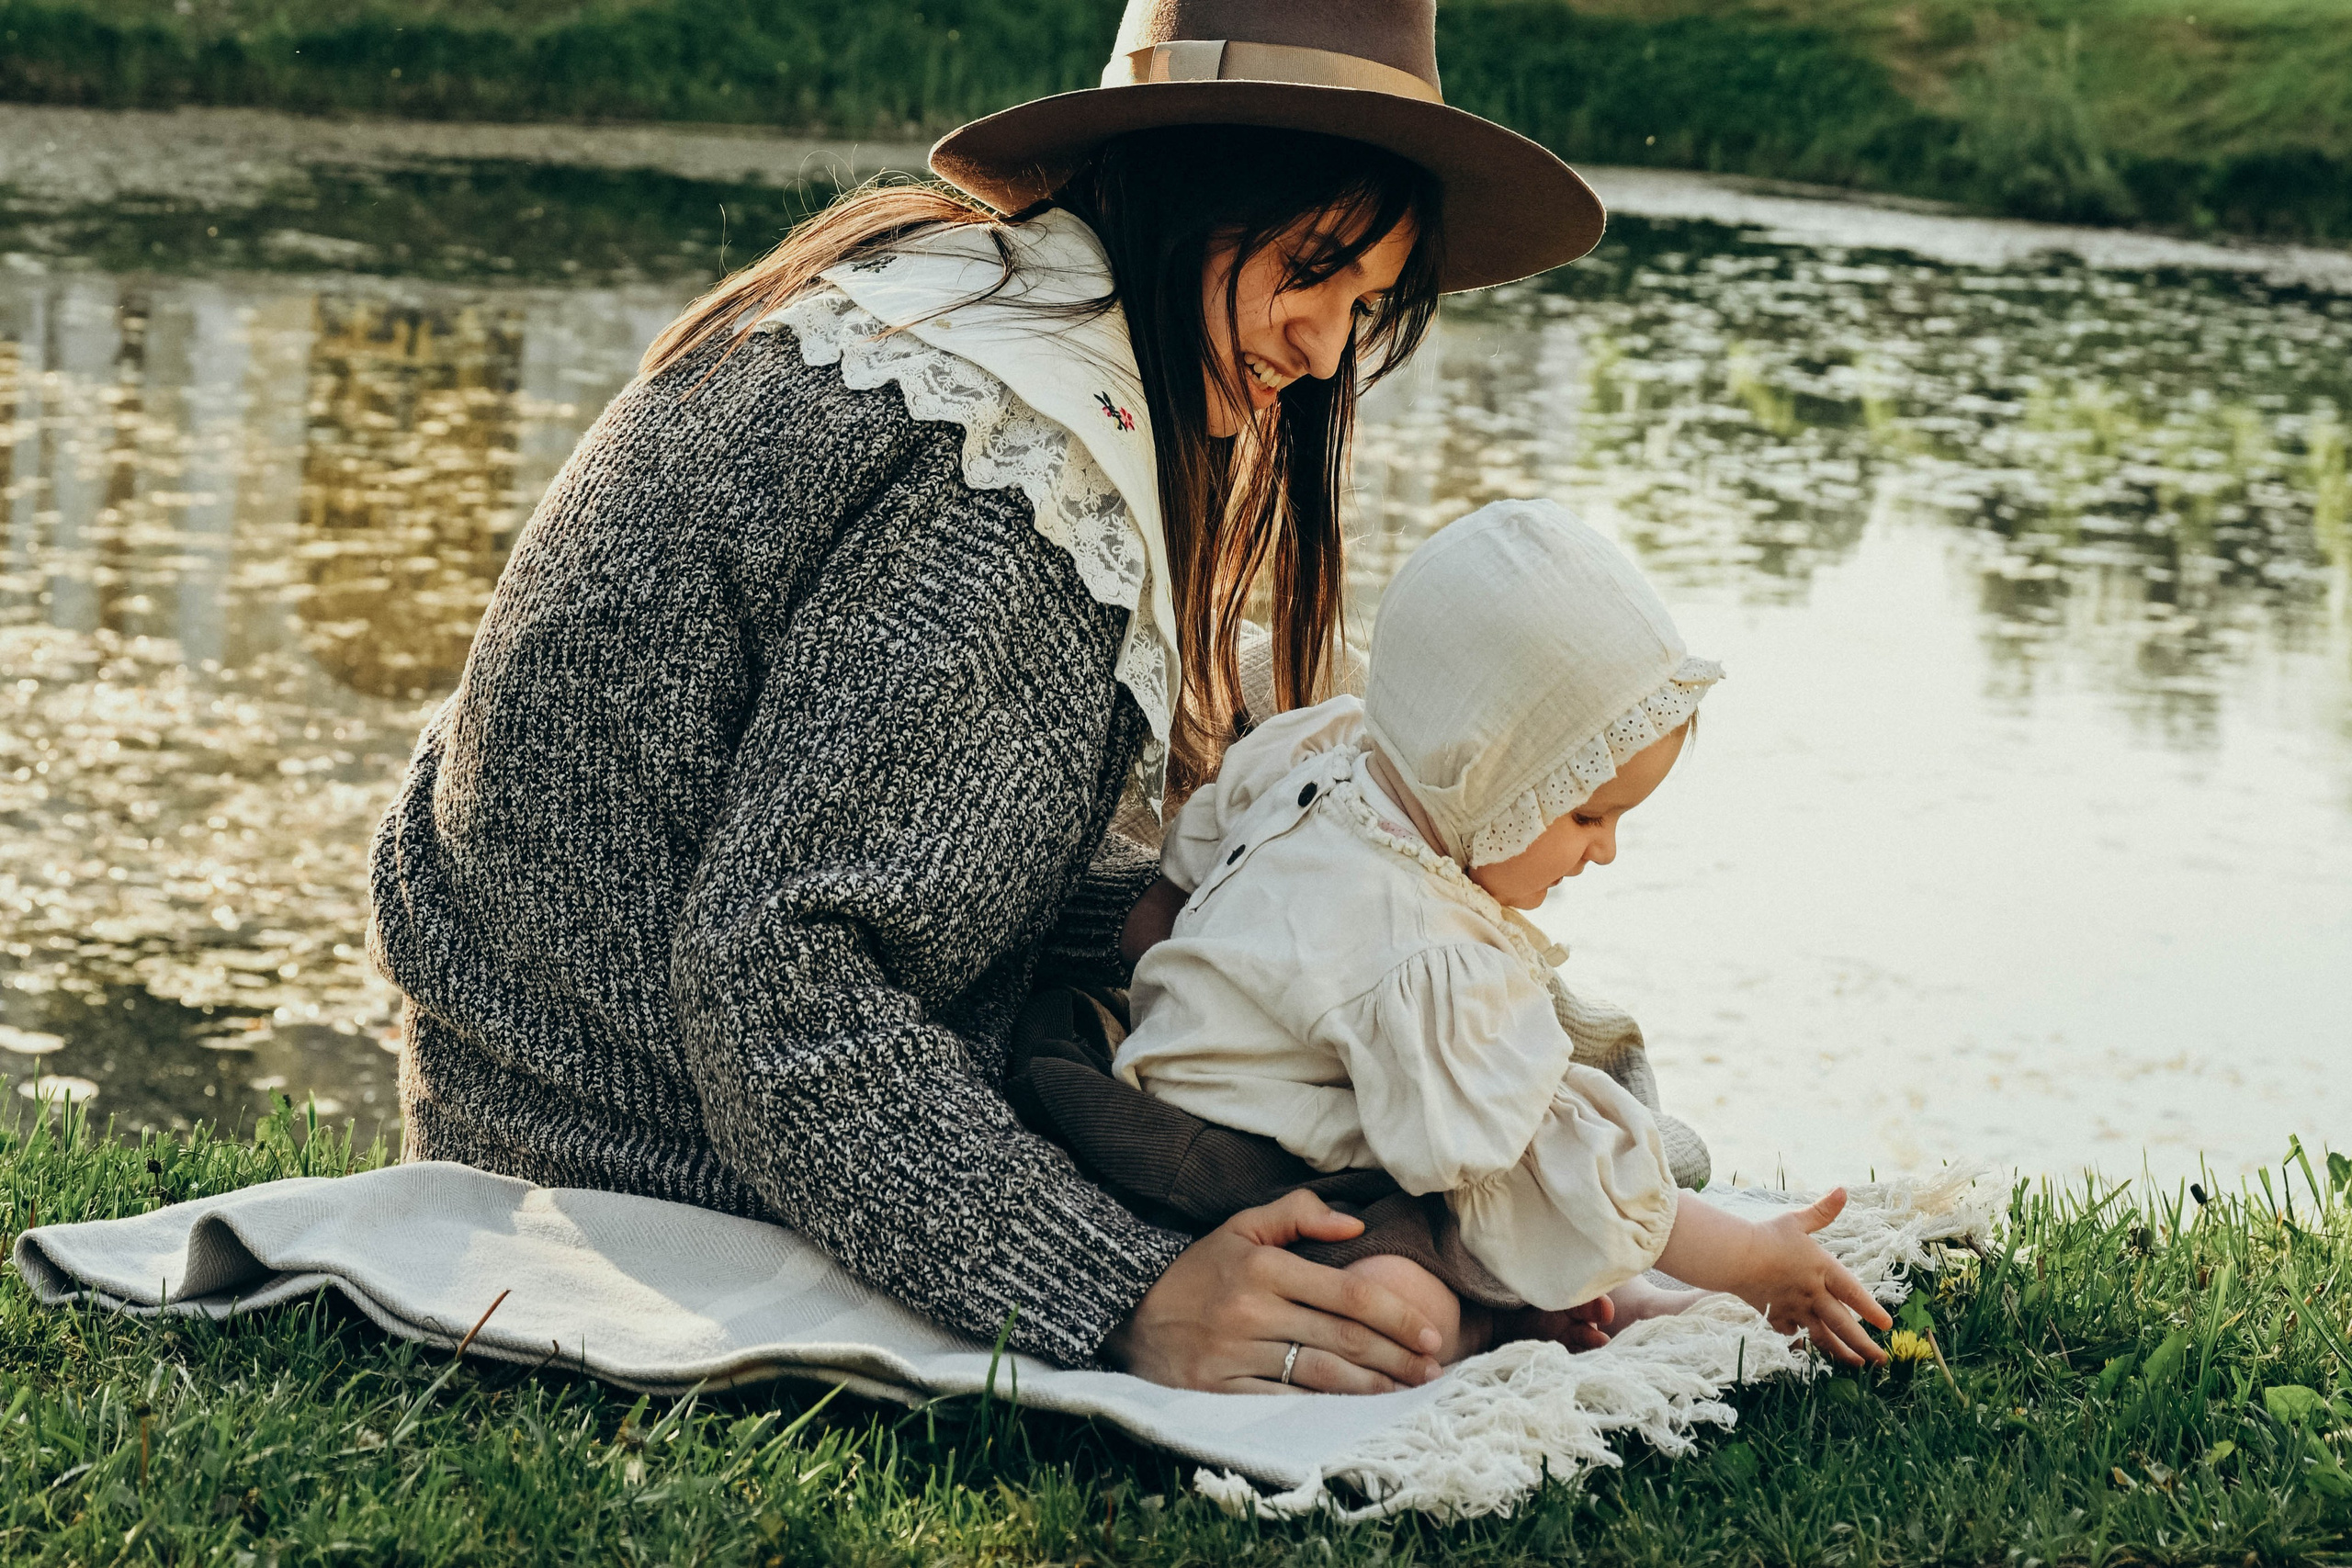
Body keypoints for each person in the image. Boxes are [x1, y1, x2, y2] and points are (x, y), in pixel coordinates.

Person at [368, 0, 1622, 1394]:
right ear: (1188, 192)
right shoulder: (1016, 477)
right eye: (1311, 268)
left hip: (540, 1060)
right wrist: (1123, 1291)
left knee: (1397, 1068)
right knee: (1411, 1197)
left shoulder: (957, 301)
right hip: (630, 1144)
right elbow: (778, 970)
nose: (1327, 347)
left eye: (1368, 300)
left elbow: (880, 823)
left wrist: (1164, 914)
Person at [1108, 500, 1895, 1368]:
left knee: (1488, 1194)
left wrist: (1179, 1009)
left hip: (1186, 1106)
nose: (1606, 850)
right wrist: (1747, 1257)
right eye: (1587, 812)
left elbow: (1163, 906)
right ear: (1483, 774)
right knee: (1406, 1311)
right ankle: (1494, 1323)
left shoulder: (1328, 754)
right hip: (1233, 1172)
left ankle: (1591, 1285)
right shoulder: (1422, 943)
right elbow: (1536, 1152)